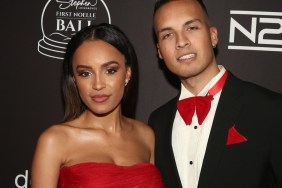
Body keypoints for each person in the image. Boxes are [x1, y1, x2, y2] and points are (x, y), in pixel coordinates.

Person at [148, 0, 282, 188]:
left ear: (213, 36)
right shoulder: (157, 122)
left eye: (192, 27)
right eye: (168, 35)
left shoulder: (270, 109)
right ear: (159, 51)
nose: (181, 42)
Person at [31, 23, 164, 188]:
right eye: (85, 73)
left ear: (127, 73)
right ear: (74, 79)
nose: (98, 84)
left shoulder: (146, 136)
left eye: (110, 70)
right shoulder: (55, 141)